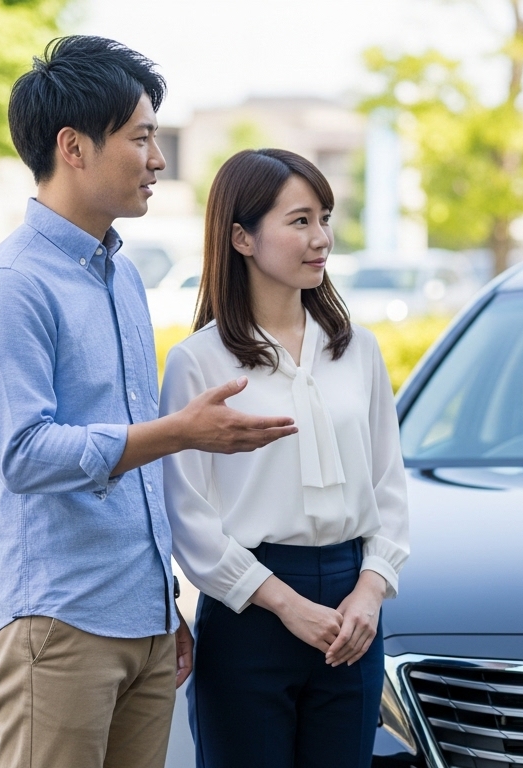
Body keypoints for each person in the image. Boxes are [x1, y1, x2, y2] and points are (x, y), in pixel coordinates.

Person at [0, 37, 298, 768]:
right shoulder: (11, 287)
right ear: (73, 147)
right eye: (141, 137)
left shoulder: (121, 276)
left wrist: (159, 605)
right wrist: (179, 433)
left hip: (139, 620)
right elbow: (24, 454)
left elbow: (133, 477)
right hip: (57, 621)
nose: (158, 158)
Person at [160, 148, 409, 768]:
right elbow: (188, 516)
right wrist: (285, 605)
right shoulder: (200, 362)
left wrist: (371, 591)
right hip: (250, 612)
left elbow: (390, 488)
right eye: (299, 221)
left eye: (324, 218)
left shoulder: (359, 351)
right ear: (241, 237)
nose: (320, 238)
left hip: (352, 613)